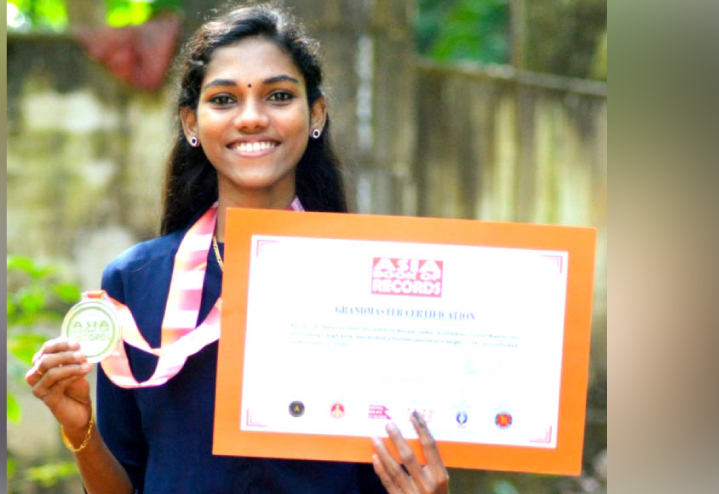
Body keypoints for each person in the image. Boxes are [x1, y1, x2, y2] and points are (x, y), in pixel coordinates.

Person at [27, 5, 450, 494]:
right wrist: (81, 430)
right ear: (191, 122)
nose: (251, 118)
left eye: (279, 96)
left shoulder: (366, 281)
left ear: (316, 114)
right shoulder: (134, 282)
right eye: (224, 99)